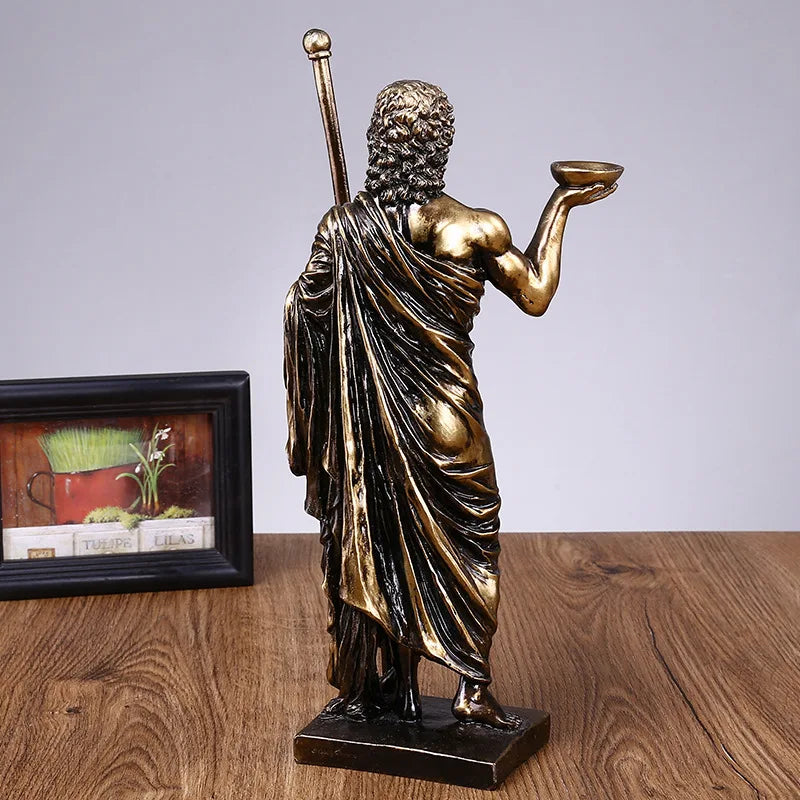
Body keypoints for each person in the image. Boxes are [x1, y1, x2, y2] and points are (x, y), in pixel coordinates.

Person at [284, 79, 615, 729]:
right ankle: (470, 686)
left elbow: (304, 309)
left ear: (379, 142)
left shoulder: (342, 227)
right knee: (470, 542)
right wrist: (562, 203)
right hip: (444, 419)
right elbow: (537, 293)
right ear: (440, 145)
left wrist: (347, 274)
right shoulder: (473, 227)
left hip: (369, 424)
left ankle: (392, 682)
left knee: (380, 537)